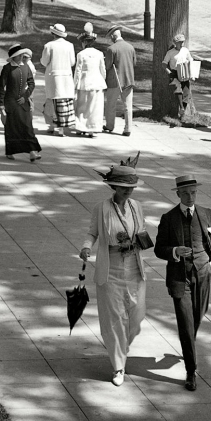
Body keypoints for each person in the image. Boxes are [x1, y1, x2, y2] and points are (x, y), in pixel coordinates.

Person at [153, 174, 211, 391]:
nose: (190, 197)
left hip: (204, 274)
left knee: (197, 316)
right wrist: (174, 251)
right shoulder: (168, 218)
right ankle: (191, 370)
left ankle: (188, 345)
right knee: (186, 323)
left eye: (194, 192)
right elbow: (159, 249)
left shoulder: (207, 214)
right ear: (178, 194)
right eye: (186, 193)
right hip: (180, 278)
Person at [78, 165, 153, 386]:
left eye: (131, 187)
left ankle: (121, 347)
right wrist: (86, 247)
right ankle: (118, 365)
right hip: (110, 267)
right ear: (114, 186)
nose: (128, 190)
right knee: (114, 319)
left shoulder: (136, 206)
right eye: (123, 187)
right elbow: (92, 232)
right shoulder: (101, 208)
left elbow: (142, 230)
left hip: (134, 266)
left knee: (137, 316)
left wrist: (138, 239)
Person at [0, 44, 42, 161]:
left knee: (27, 126)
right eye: (19, 55)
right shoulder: (7, 68)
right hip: (10, 103)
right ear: (14, 57)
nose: (22, 56)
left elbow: (31, 84)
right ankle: (10, 151)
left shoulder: (26, 67)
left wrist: (25, 97)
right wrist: (1, 104)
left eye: (22, 55)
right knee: (11, 128)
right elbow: (1, 87)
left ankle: (32, 152)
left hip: (23, 103)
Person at [39, 23, 78, 136]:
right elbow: (72, 62)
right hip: (66, 77)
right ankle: (61, 128)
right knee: (64, 103)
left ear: (53, 33)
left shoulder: (49, 45)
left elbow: (44, 62)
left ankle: (52, 126)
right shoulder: (69, 45)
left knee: (52, 102)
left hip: (53, 78)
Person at [73, 32, 108, 137]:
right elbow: (103, 70)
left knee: (82, 107)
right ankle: (93, 128)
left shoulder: (81, 54)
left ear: (84, 42)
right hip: (97, 83)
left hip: (84, 83)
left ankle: (81, 127)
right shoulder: (99, 53)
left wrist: (75, 85)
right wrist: (102, 80)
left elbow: (78, 71)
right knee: (95, 108)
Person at [105, 26, 136, 137]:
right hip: (128, 80)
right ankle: (128, 128)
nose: (110, 39)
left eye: (111, 37)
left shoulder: (111, 49)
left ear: (113, 36)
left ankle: (109, 125)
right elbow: (134, 63)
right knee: (128, 106)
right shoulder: (131, 47)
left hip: (114, 80)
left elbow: (107, 66)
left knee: (111, 105)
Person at [163, 33, 197, 124]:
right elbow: (164, 64)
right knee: (178, 88)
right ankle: (181, 107)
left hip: (184, 72)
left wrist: (192, 73)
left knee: (186, 92)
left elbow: (190, 60)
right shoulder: (170, 53)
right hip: (174, 73)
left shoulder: (185, 50)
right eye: (180, 42)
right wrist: (169, 72)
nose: (182, 43)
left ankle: (183, 111)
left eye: (182, 42)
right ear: (175, 43)